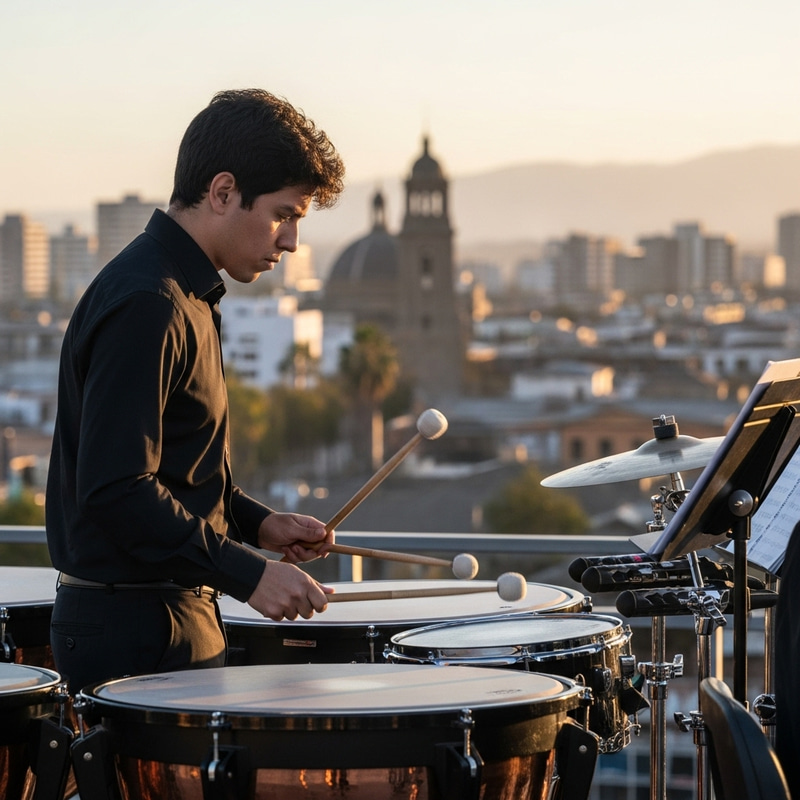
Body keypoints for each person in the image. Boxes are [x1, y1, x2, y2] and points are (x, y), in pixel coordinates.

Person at [46, 88, 346, 693]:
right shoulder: (149, 302)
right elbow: (116, 489)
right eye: (284, 214)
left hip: (164, 613)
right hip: (138, 625)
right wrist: (250, 575)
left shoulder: (186, 294)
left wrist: (258, 524)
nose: (290, 241)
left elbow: (171, 473)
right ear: (223, 192)